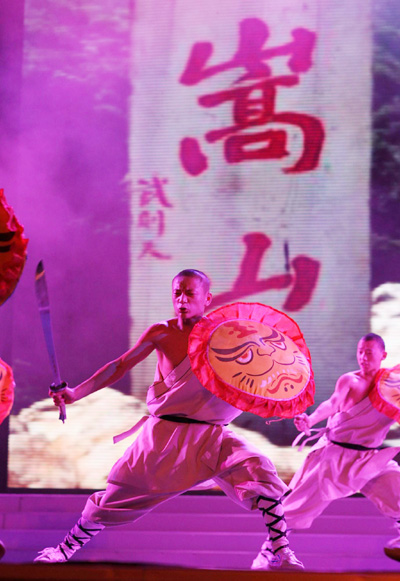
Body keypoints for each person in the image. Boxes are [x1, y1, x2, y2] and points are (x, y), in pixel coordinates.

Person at [34, 269, 303, 571]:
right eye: (177, 293)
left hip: (211, 437)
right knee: (115, 498)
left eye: (190, 293)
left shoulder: (226, 337)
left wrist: (282, 405)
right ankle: (63, 549)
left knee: (259, 467)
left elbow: (260, 375)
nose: (182, 300)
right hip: (163, 437)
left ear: (207, 299)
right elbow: (119, 366)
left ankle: (277, 551)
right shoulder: (161, 332)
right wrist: (75, 394)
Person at [255, 332, 400, 563]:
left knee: (395, 484)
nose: (363, 357)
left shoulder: (395, 387)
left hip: (368, 457)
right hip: (334, 455)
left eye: (369, 352)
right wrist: (310, 421)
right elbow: (332, 403)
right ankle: (270, 554)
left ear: (383, 355)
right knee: (297, 507)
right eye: (360, 351)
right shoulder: (349, 381)